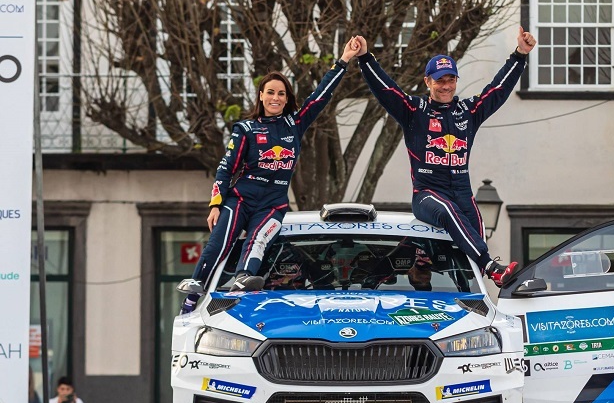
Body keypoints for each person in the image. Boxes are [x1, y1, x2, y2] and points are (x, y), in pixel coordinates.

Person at [179, 38, 361, 313]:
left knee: (259, 239)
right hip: (241, 198)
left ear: (287, 99)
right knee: (220, 240)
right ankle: (193, 294)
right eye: (270, 92)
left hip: (273, 203)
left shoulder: (295, 124)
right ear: (261, 96)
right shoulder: (246, 128)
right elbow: (225, 168)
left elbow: (321, 96)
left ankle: (242, 279)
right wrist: (216, 204)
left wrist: (344, 60)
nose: (275, 98)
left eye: (281, 94)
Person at [353, 28, 536, 287]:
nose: (446, 86)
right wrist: (365, 58)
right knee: (451, 214)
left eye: (451, 79)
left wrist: (519, 56)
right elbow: (387, 91)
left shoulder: (468, 111)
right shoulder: (414, 110)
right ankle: (492, 266)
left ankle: (473, 294)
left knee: (475, 242)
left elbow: (497, 90)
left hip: (462, 193)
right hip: (426, 194)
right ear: (428, 82)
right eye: (439, 80)